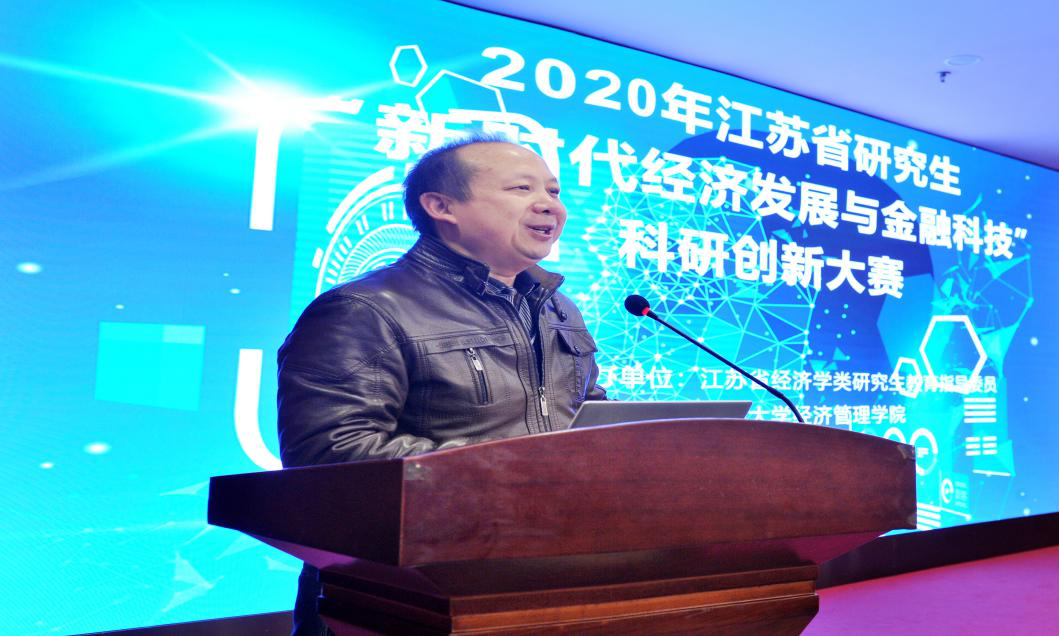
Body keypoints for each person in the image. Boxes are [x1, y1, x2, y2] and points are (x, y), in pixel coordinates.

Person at [276, 133, 607, 635]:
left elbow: (582, 411)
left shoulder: (557, 308)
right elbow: (330, 456)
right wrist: (524, 469)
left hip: (544, 571)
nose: (549, 205)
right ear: (441, 206)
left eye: (554, 191)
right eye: (521, 188)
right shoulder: (364, 309)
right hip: (404, 590)